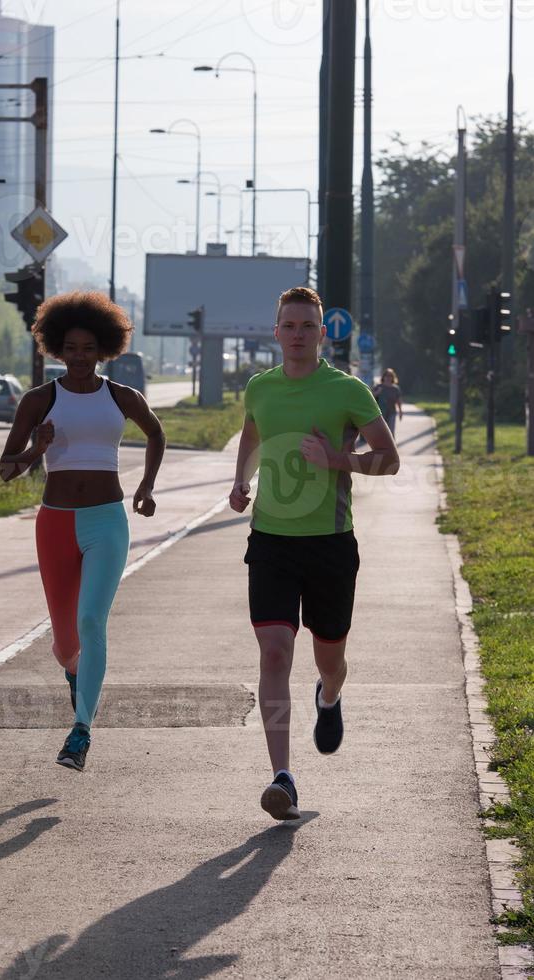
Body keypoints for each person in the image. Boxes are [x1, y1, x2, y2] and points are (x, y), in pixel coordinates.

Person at [229, 286, 400, 821]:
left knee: (331, 657)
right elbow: (252, 433)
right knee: (274, 652)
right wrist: (240, 481)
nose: (298, 335)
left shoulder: (347, 392)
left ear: (322, 333)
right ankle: (282, 776)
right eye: (289, 326)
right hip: (271, 542)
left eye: (308, 326)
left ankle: (328, 696)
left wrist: (338, 460)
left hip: (329, 545)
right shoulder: (260, 387)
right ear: (276, 332)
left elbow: (389, 461)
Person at [0, 291, 165, 773]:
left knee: (93, 621)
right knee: (65, 643)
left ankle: (81, 732)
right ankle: (76, 673)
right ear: (56, 348)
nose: (79, 356)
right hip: (55, 523)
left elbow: (156, 432)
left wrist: (146, 487)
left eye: (88, 348)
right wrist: (36, 449)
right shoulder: (39, 400)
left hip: (105, 522)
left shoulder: (121, 396)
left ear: (103, 349)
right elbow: (7, 470)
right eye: (70, 347)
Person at [372, 368, 403, 437]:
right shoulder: (379, 386)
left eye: (390, 376)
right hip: (380, 413)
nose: (388, 378)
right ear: (383, 377)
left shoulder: (395, 388)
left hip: (392, 412)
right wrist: (377, 392)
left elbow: (399, 401)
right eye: (387, 376)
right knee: (381, 431)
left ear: (393, 377)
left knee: (391, 431)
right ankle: (381, 446)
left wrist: (400, 411)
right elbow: (371, 397)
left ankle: (391, 447)